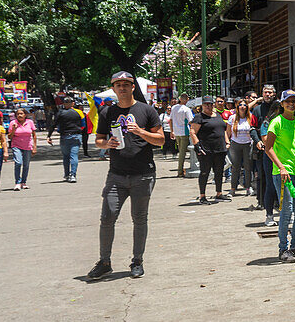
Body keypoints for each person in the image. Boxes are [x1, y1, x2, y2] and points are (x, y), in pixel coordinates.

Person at [88, 71, 164, 280]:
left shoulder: (147, 110)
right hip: (116, 175)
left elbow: (160, 140)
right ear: (113, 88)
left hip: (143, 174)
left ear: (133, 87)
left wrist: (141, 132)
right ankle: (104, 262)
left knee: (139, 219)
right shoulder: (106, 112)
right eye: (118, 84)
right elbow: (98, 140)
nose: (122, 87)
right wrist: (106, 144)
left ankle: (137, 260)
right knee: (107, 217)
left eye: (126, 84)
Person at [263, 90, 295, 263]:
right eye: (288, 101)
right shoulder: (276, 122)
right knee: (287, 211)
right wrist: (282, 168)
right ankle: (283, 248)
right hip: (284, 174)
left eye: (294, 101)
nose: (292, 104)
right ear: (282, 104)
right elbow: (268, 148)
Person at [190, 96, 230, 204]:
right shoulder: (199, 117)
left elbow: (223, 130)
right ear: (202, 105)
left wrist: (227, 142)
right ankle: (202, 196)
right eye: (206, 104)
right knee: (205, 172)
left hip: (220, 149)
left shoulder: (217, 115)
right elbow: (192, 132)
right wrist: (197, 146)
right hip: (206, 150)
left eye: (211, 104)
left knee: (219, 172)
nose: (209, 106)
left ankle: (219, 193)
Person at [252, 85, 280, 225]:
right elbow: (253, 129)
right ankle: (269, 214)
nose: (268, 94)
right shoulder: (257, 110)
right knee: (269, 183)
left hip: (283, 154)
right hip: (266, 151)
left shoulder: (285, 112)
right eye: (265, 92)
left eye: (270, 92)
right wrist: (258, 141)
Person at [47, 95, 85, 182]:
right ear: (73, 103)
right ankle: (73, 175)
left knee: (66, 156)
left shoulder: (60, 113)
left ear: (64, 104)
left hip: (64, 136)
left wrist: (49, 135)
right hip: (76, 136)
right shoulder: (79, 112)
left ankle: (67, 174)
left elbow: (54, 124)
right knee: (74, 156)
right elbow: (83, 125)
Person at [227, 99, 256, 196]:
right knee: (235, 167)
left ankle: (248, 187)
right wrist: (227, 143)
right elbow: (227, 132)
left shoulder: (250, 117)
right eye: (240, 105)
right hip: (235, 144)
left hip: (248, 144)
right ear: (237, 107)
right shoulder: (232, 118)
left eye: (245, 105)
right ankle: (233, 188)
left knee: (248, 167)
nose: (243, 107)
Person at [7, 107, 38, 190]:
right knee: (18, 163)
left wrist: (34, 147)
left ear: (25, 115)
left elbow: (34, 135)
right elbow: (9, 137)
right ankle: (17, 182)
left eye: (21, 114)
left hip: (27, 146)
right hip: (16, 146)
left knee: (26, 165)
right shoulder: (13, 123)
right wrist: (13, 129)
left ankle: (23, 182)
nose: (19, 115)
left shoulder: (30, 122)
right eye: (18, 114)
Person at [170, 94, 195, 178]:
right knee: (182, 152)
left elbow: (170, 120)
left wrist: (172, 131)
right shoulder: (186, 109)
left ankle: (180, 169)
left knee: (181, 151)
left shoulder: (174, 108)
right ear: (187, 99)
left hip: (177, 132)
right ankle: (180, 170)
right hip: (184, 132)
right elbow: (191, 121)